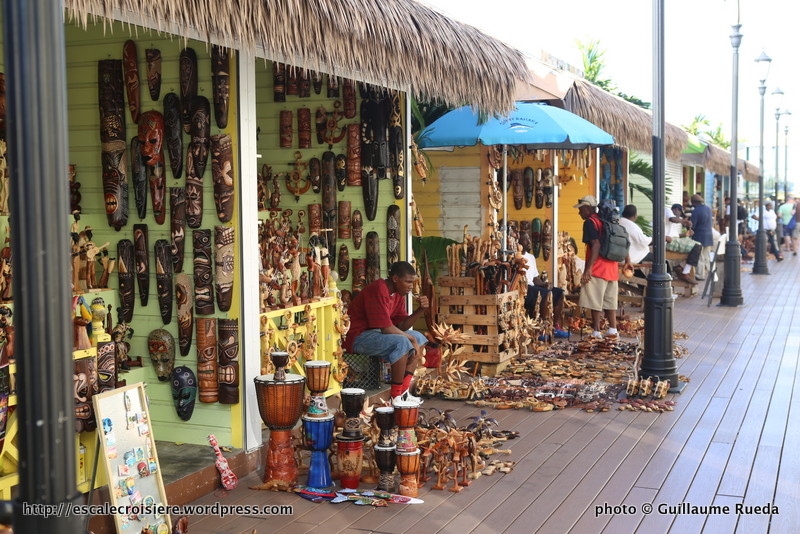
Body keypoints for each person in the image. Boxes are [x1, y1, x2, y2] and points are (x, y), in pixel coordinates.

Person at [344, 261, 428, 404]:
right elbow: (386, 328)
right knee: (403, 341)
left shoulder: (398, 294)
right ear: (395, 279)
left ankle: (404, 392)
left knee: (419, 337)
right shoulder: (379, 288)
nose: (410, 286)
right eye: (407, 282)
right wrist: (410, 340)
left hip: (376, 333)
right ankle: (395, 397)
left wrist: (420, 310)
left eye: (412, 283)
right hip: (357, 336)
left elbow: (401, 325)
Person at [574, 195, 632, 339]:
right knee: (610, 302)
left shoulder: (590, 222)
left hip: (598, 268)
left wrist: (588, 269)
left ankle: (596, 332)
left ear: (587, 208)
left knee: (595, 302)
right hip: (612, 268)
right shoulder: (610, 222)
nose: (579, 213)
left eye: (581, 209)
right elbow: (623, 242)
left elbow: (596, 245)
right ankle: (612, 330)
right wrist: (627, 261)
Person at [521, 245, 569, 338]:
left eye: (528, 240)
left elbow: (535, 277)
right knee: (546, 294)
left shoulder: (531, 257)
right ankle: (541, 330)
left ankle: (554, 327)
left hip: (533, 286)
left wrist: (543, 284)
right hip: (523, 289)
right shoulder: (516, 256)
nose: (529, 242)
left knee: (559, 293)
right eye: (525, 239)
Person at [665, 204, 702, 284]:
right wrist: (684, 221)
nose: (680, 216)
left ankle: (681, 267)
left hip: (673, 239)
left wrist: (685, 235)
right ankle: (684, 272)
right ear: (675, 209)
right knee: (696, 246)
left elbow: (675, 235)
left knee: (698, 245)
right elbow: (672, 219)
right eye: (680, 213)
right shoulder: (667, 211)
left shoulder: (672, 223)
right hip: (667, 241)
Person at [689, 194, 714, 280]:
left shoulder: (696, 211)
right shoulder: (708, 209)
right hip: (709, 235)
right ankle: (710, 273)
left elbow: (693, 225)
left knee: (699, 256)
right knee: (706, 256)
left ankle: (700, 275)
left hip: (699, 236)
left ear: (694, 202)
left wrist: (687, 226)